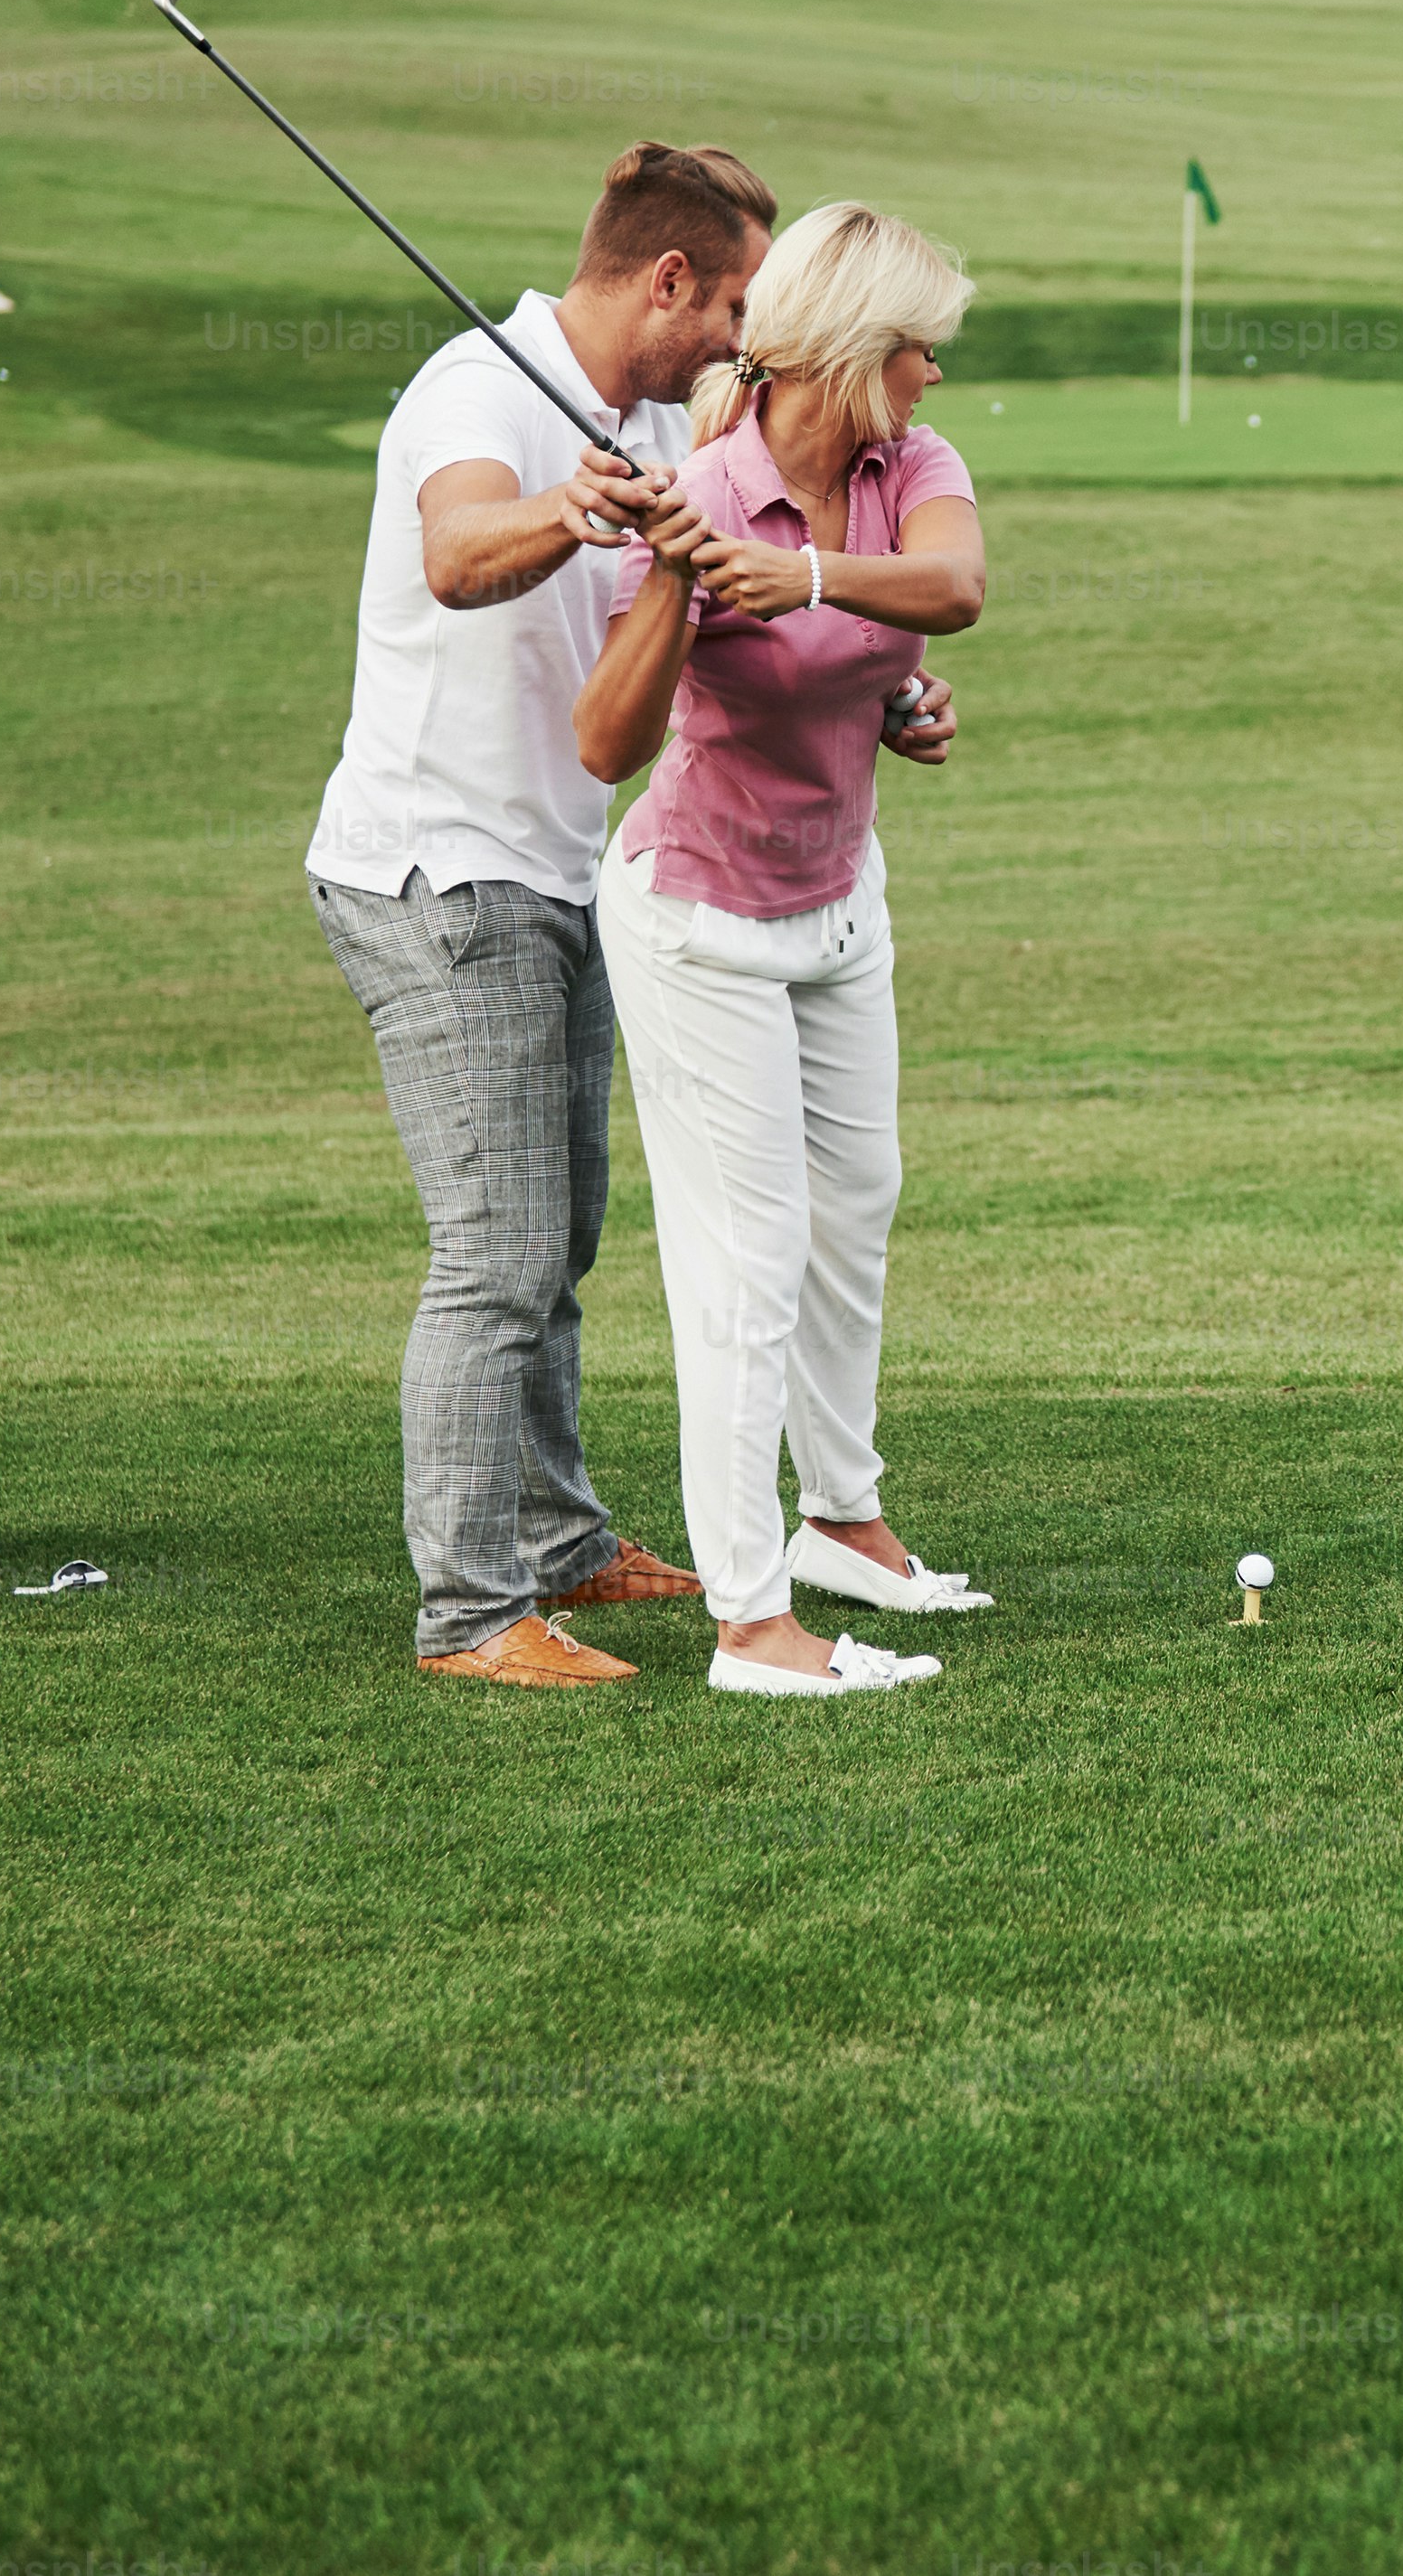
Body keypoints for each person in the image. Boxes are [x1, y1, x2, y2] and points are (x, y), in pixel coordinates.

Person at [309, 141, 775, 1686]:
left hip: (564, 867)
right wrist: (569, 511)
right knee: (494, 1255)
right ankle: (469, 1613)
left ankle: (560, 1537)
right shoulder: (475, 391)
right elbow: (455, 557)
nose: (742, 341)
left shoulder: (648, 416)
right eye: (733, 308)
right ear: (666, 281)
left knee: (558, 1235)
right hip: (441, 877)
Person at [577, 202, 992, 1699]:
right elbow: (604, 743)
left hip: (838, 900)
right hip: (699, 923)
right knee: (744, 1260)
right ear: (848, 352)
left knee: (856, 1208)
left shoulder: (907, 472)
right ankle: (753, 1621)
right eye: (917, 350)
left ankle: (843, 1519)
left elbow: (950, 594)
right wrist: (686, 578)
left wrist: (873, 677)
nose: (935, 378)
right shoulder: (698, 491)